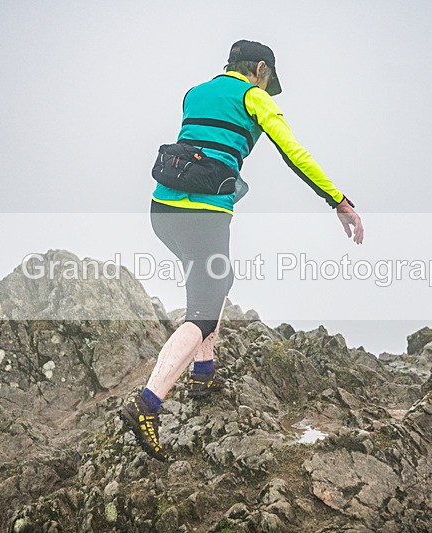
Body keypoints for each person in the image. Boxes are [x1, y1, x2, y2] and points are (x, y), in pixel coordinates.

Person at [122, 40, 364, 461]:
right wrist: (338, 200)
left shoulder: (196, 92)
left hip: (162, 210)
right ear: (260, 69)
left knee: (214, 282)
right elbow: (295, 153)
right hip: (203, 215)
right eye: (269, 80)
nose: (269, 88)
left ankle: (202, 371)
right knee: (202, 309)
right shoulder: (255, 96)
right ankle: (147, 403)